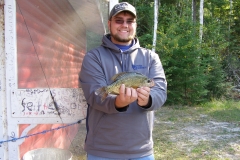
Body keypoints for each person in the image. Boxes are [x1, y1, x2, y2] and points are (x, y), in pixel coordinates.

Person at [79, 2, 167, 160]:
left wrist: (148, 99)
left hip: (141, 151)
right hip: (102, 150)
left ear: (135, 24)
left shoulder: (151, 58)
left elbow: (160, 92)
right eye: (119, 20)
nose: (124, 25)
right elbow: (95, 96)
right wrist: (118, 102)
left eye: (129, 21)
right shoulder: (93, 57)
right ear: (110, 23)